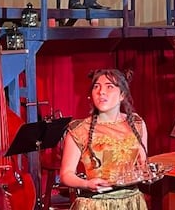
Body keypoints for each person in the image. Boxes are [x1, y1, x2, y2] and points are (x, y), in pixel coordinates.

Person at [59, 69, 148, 210]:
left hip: (131, 203)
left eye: (109, 86)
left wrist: (146, 173)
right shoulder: (79, 130)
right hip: (95, 204)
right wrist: (87, 184)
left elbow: (143, 165)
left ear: (122, 95)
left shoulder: (136, 123)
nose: (101, 92)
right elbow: (66, 174)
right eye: (96, 86)